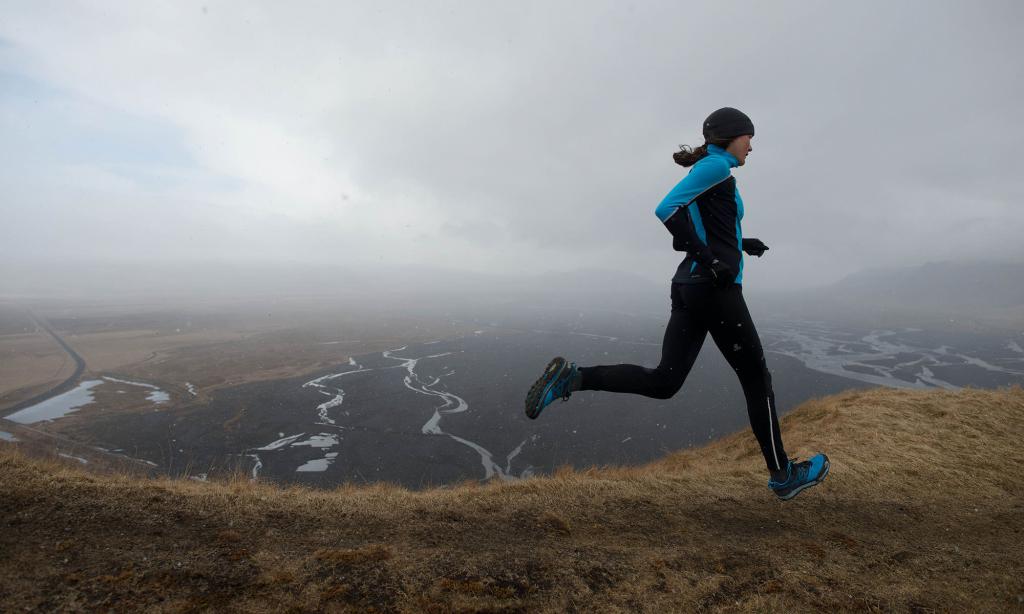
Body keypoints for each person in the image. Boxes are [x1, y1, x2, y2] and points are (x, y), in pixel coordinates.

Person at [524, 107, 829, 501]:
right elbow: (665, 209)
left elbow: (699, 225)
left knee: (665, 381)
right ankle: (783, 474)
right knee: (757, 380)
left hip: (691, 286)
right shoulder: (716, 168)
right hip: (714, 290)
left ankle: (573, 377)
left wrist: (739, 244)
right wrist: (712, 259)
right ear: (731, 137)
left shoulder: (714, 171)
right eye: (748, 137)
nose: (752, 146)